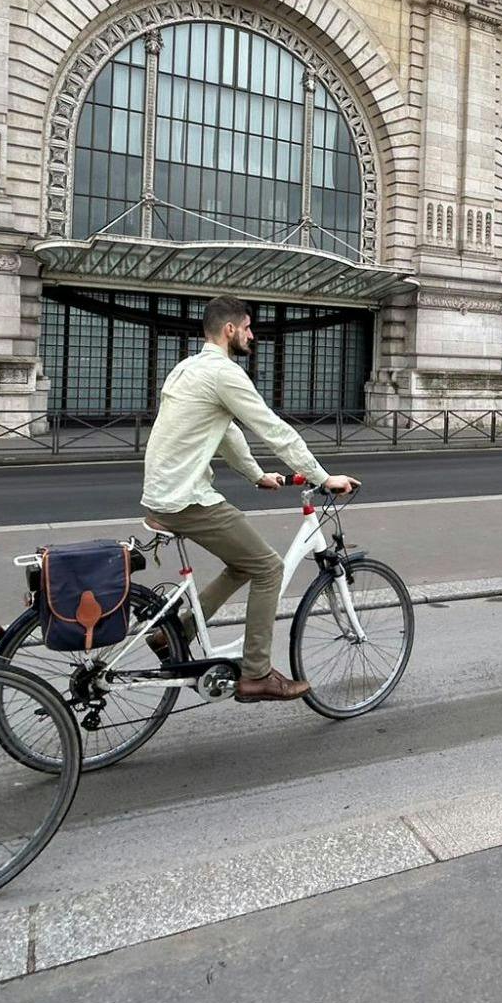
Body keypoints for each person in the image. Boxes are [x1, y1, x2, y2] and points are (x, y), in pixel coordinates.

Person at [141, 296, 358, 702]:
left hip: (161, 495)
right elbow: (274, 431)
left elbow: (227, 432)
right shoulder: (224, 373)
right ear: (230, 330)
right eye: (247, 327)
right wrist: (323, 477)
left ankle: (175, 634)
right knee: (269, 568)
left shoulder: (187, 368)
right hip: (184, 499)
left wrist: (256, 475)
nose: (252, 335)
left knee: (244, 563)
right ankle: (257, 674)